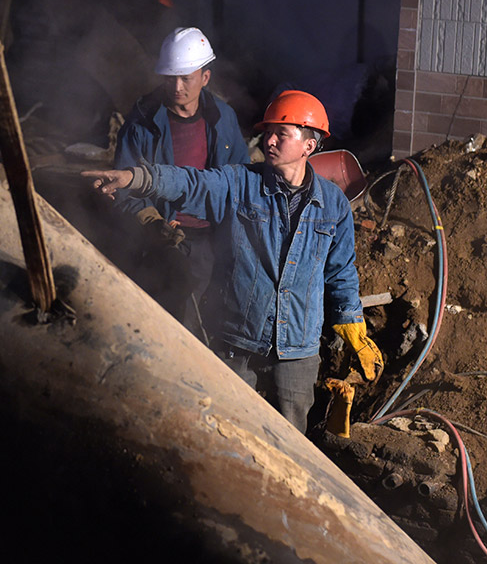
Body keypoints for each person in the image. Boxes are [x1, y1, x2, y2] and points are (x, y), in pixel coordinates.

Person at [83, 90, 383, 434]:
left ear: (309, 146)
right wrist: (136, 179)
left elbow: (341, 271)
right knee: (224, 430)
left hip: (297, 350)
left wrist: (352, 325)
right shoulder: (240, 183)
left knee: (291, 442)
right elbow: (190, 182)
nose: (268, 140)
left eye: (280, 134)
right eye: (267, 131)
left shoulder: (333, 205)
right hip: (237, 341)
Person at [113, 27, 250, 340]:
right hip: (164, 243)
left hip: (214, 239)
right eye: (169, 78)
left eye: (185, 78)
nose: (176, 87)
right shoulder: (143, 122)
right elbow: (124, 186)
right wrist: (152, 222)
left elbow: (241, 177)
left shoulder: (223, 118)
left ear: (205, 77)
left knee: (216, 324)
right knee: (168, 327)